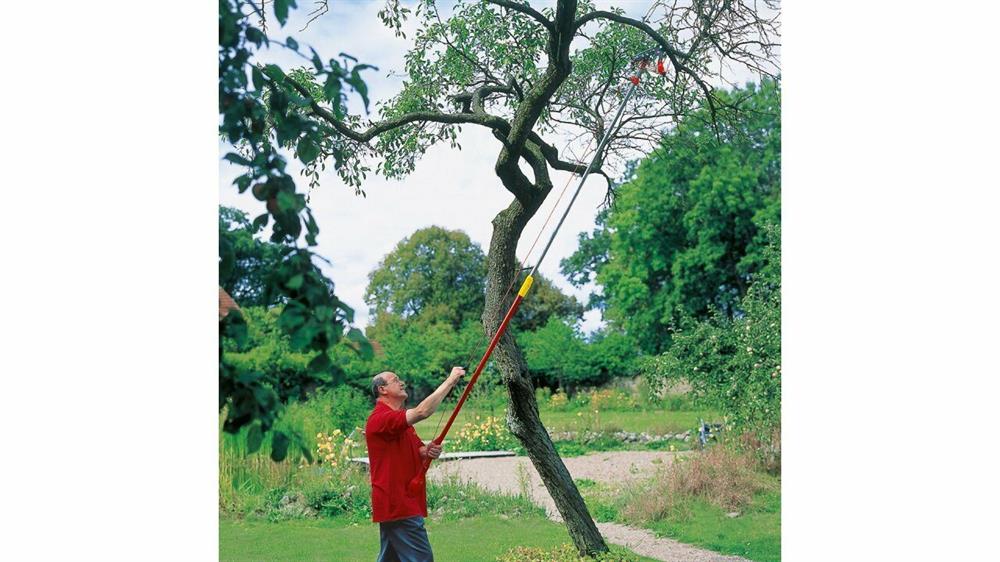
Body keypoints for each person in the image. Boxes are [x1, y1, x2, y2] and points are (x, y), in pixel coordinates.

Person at [365, 367, 466, 562]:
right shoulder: (380, 419)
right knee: (421, 559)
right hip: (398, 503)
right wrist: (450, 381)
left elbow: (419, 451)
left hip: (400, 501)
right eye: (395, 380)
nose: (401, 382)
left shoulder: (401, 424)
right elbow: (423, 411)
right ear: (382, 390)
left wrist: (427, 451)